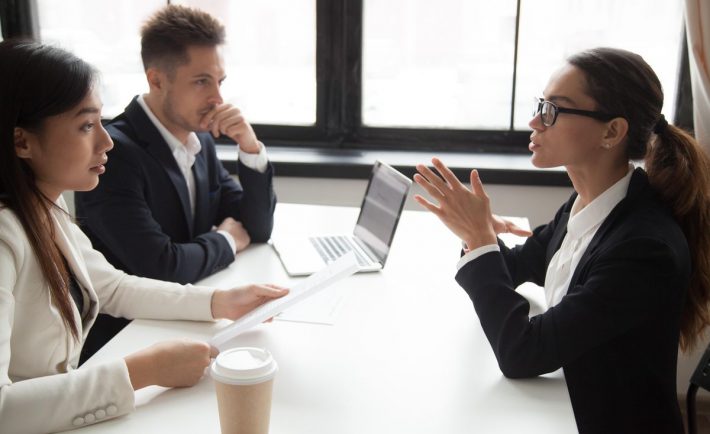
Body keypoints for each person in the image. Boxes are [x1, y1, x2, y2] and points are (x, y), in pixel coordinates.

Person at [414, 47, 710, 433]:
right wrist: (478, 234)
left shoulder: (644, 248)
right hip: (565, 405)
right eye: (540, 104)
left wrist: (480, 238)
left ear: (612, 132)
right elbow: (517, 265)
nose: (535, 120)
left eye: (554, 109)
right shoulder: (587, 203)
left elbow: (523, 353)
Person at [0, 39, 288, 434]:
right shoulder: (4, 237)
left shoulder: (44, 210)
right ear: (21, 141)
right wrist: (140, 371)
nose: (106, 141)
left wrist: (222, 301)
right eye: (86, 126)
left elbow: (113, 287)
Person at [74, 5, 277, 358]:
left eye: (219, 81)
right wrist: (226, 240)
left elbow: (257, 228)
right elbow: (161, 269)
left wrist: (250, 146)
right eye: (201, 82)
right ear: (156, 80)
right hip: (128, 342)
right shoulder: (115, 154)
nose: (218, 98)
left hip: (188, 319)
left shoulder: (200, 139)